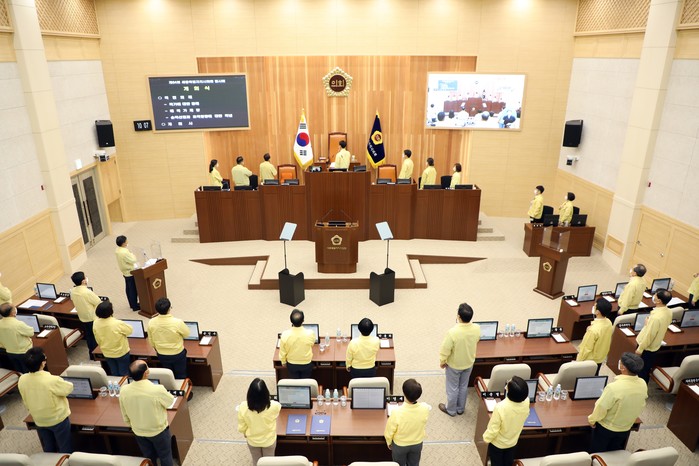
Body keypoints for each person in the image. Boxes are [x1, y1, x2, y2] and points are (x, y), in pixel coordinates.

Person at [119, 360, 175, 466]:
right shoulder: (157, 389)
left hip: (138, 431)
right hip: (158, 431)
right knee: (165, 456)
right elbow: (170, 402)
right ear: (146, 373)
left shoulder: (124, 390)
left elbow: (124, 411)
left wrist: (131, 425)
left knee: (149, 457)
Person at [588, 352, 647, 452]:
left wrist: (592, 420)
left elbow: (601, 407)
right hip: (626, 428)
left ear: (623, 367)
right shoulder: (643, 383)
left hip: (607, 429)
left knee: (597, 452)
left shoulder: (613, 387)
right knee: (614, 450)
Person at [18, 347, 74, 453]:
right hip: (57, 419)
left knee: (48, 446)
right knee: (64, 447)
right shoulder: (51, 380)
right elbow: (69, 388)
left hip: (38, 418)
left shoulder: (22, 379)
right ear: (42, 363)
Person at [438, 303, 481, 417]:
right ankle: (460, 409)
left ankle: (451, 410)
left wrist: (442, 361)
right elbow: (477, 340)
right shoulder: (477, 328)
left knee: (452, 388)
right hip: (469, 363)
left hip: (454, 365)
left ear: (458, 316)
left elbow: (445, 349)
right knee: (463, 386)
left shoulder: (453, 332)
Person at [482, 376, 530, 466]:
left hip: (498, 445)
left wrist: (486, 438)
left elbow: (493, 429)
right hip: (513, 442)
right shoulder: (526, 401)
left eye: (507, 385)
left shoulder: (500, 407)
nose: (505, 386)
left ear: (510, 392)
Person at [384, 378, 430, 466]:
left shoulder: (397, 412)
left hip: (400, 445)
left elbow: (389, 431)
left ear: (404, 393)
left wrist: (389, 442)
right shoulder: (425, 408)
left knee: (399, 464)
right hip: (417, 443)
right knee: (414, 464)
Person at [238, 378, 282, 463]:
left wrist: (245, 432)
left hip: (253, 441)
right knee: (269, 463)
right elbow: (278, 410)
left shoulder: (242, 407)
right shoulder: (274, 406)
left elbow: (241, 428)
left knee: (256, 461)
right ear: (266, 393)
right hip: (269, 440)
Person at [635, 289, 673, 383]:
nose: (653, 296)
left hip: (646, 348)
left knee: (641, 371)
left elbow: (649, 336)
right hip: (655, 345)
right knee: (646, 369)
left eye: (655, 295)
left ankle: (640, 388)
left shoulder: (656, 318)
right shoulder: (669, 311)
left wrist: (640, 349)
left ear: (659, 300)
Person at [148, 298, 190, 379]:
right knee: (181, 374)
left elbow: (151, 339)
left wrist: (157, 348)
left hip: (161, 354)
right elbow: (187, 334)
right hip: (177, 354)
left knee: (168, 374)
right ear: (169, 308)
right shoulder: (177, 322)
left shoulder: (151, 322)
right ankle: (182, 386)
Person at [93, 300, 133, 376]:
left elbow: (97, 338)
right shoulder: (117, 323)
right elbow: (129, 331)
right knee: (124, 373)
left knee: (114, 372)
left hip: (106, 352)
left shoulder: (95, 322)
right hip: (121, 353)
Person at [576, 298, 614, 374]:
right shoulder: (609, 322)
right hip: (600, 357)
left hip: (589, 361)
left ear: (598, 312)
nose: (593, 307)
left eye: (595, 306)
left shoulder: (593, 331)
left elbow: (586, 349)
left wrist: (578, 362)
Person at [70, 271, 100, 358]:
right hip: (92, 317)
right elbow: (98, 302)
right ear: (83, 281)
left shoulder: (73, 291)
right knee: (95, 337)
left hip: (82, 317)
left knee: (89, 336)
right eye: (85, 277)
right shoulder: (87, 292)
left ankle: (91, 354)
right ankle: (96, 355)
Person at [279, 309, 315, 379]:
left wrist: (283, 362)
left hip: (291, 365)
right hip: (306, 364)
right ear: (303, 320)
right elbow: (312, 344)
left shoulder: (285, 335)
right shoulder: (310, 333)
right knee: (305, 382)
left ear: (291, 321)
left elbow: (282, 351)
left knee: (295, 382)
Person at [0, 303, 34, 373]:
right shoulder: (18, 324)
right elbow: (31, 332)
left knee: (18, 371)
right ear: (12, 312)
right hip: (23, 352)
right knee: (27, 371)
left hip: (10, 352)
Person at [115, 235, 139, 311]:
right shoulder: (124, 252)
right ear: (123, 243)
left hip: (125, 272)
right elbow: (133, 260)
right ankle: (135, 306)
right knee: (133, 290)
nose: (127, 241)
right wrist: (132, 254)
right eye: (126, 241)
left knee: (128, 289)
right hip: (130, 272)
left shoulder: (117, 250)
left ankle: (131, 304)